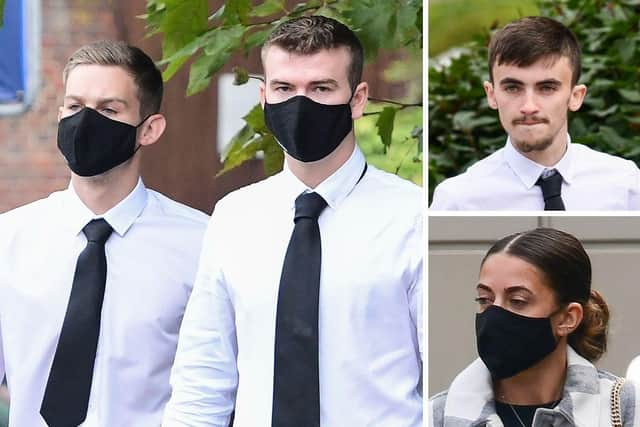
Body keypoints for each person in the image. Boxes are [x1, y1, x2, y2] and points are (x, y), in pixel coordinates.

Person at [162, 15, 423, 427]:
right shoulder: (234, 217)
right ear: (264, 97)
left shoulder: (411, 217)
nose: (301, 103)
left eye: (321, 87)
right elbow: (203, 378)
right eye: (285, 88)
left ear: (357, 99)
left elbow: (436, 375)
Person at [0, 40, 208, 426]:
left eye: (109, 109)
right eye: (76, 107)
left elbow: (213, 384)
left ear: (149, 129)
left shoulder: (201, 244)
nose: (86, 122)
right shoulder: (8, 240)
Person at [429, 227, 640, 426]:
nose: (495, 314)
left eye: (518, 301)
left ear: (568, 318)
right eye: (485, 299)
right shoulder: (437, 416)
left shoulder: (624, 408)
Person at [430, 16, 640, 210]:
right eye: (513, 88)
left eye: (547, 88)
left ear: (576, 96)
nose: (528, 106)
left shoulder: (626, 185)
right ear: (492, 95)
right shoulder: (457, 200)